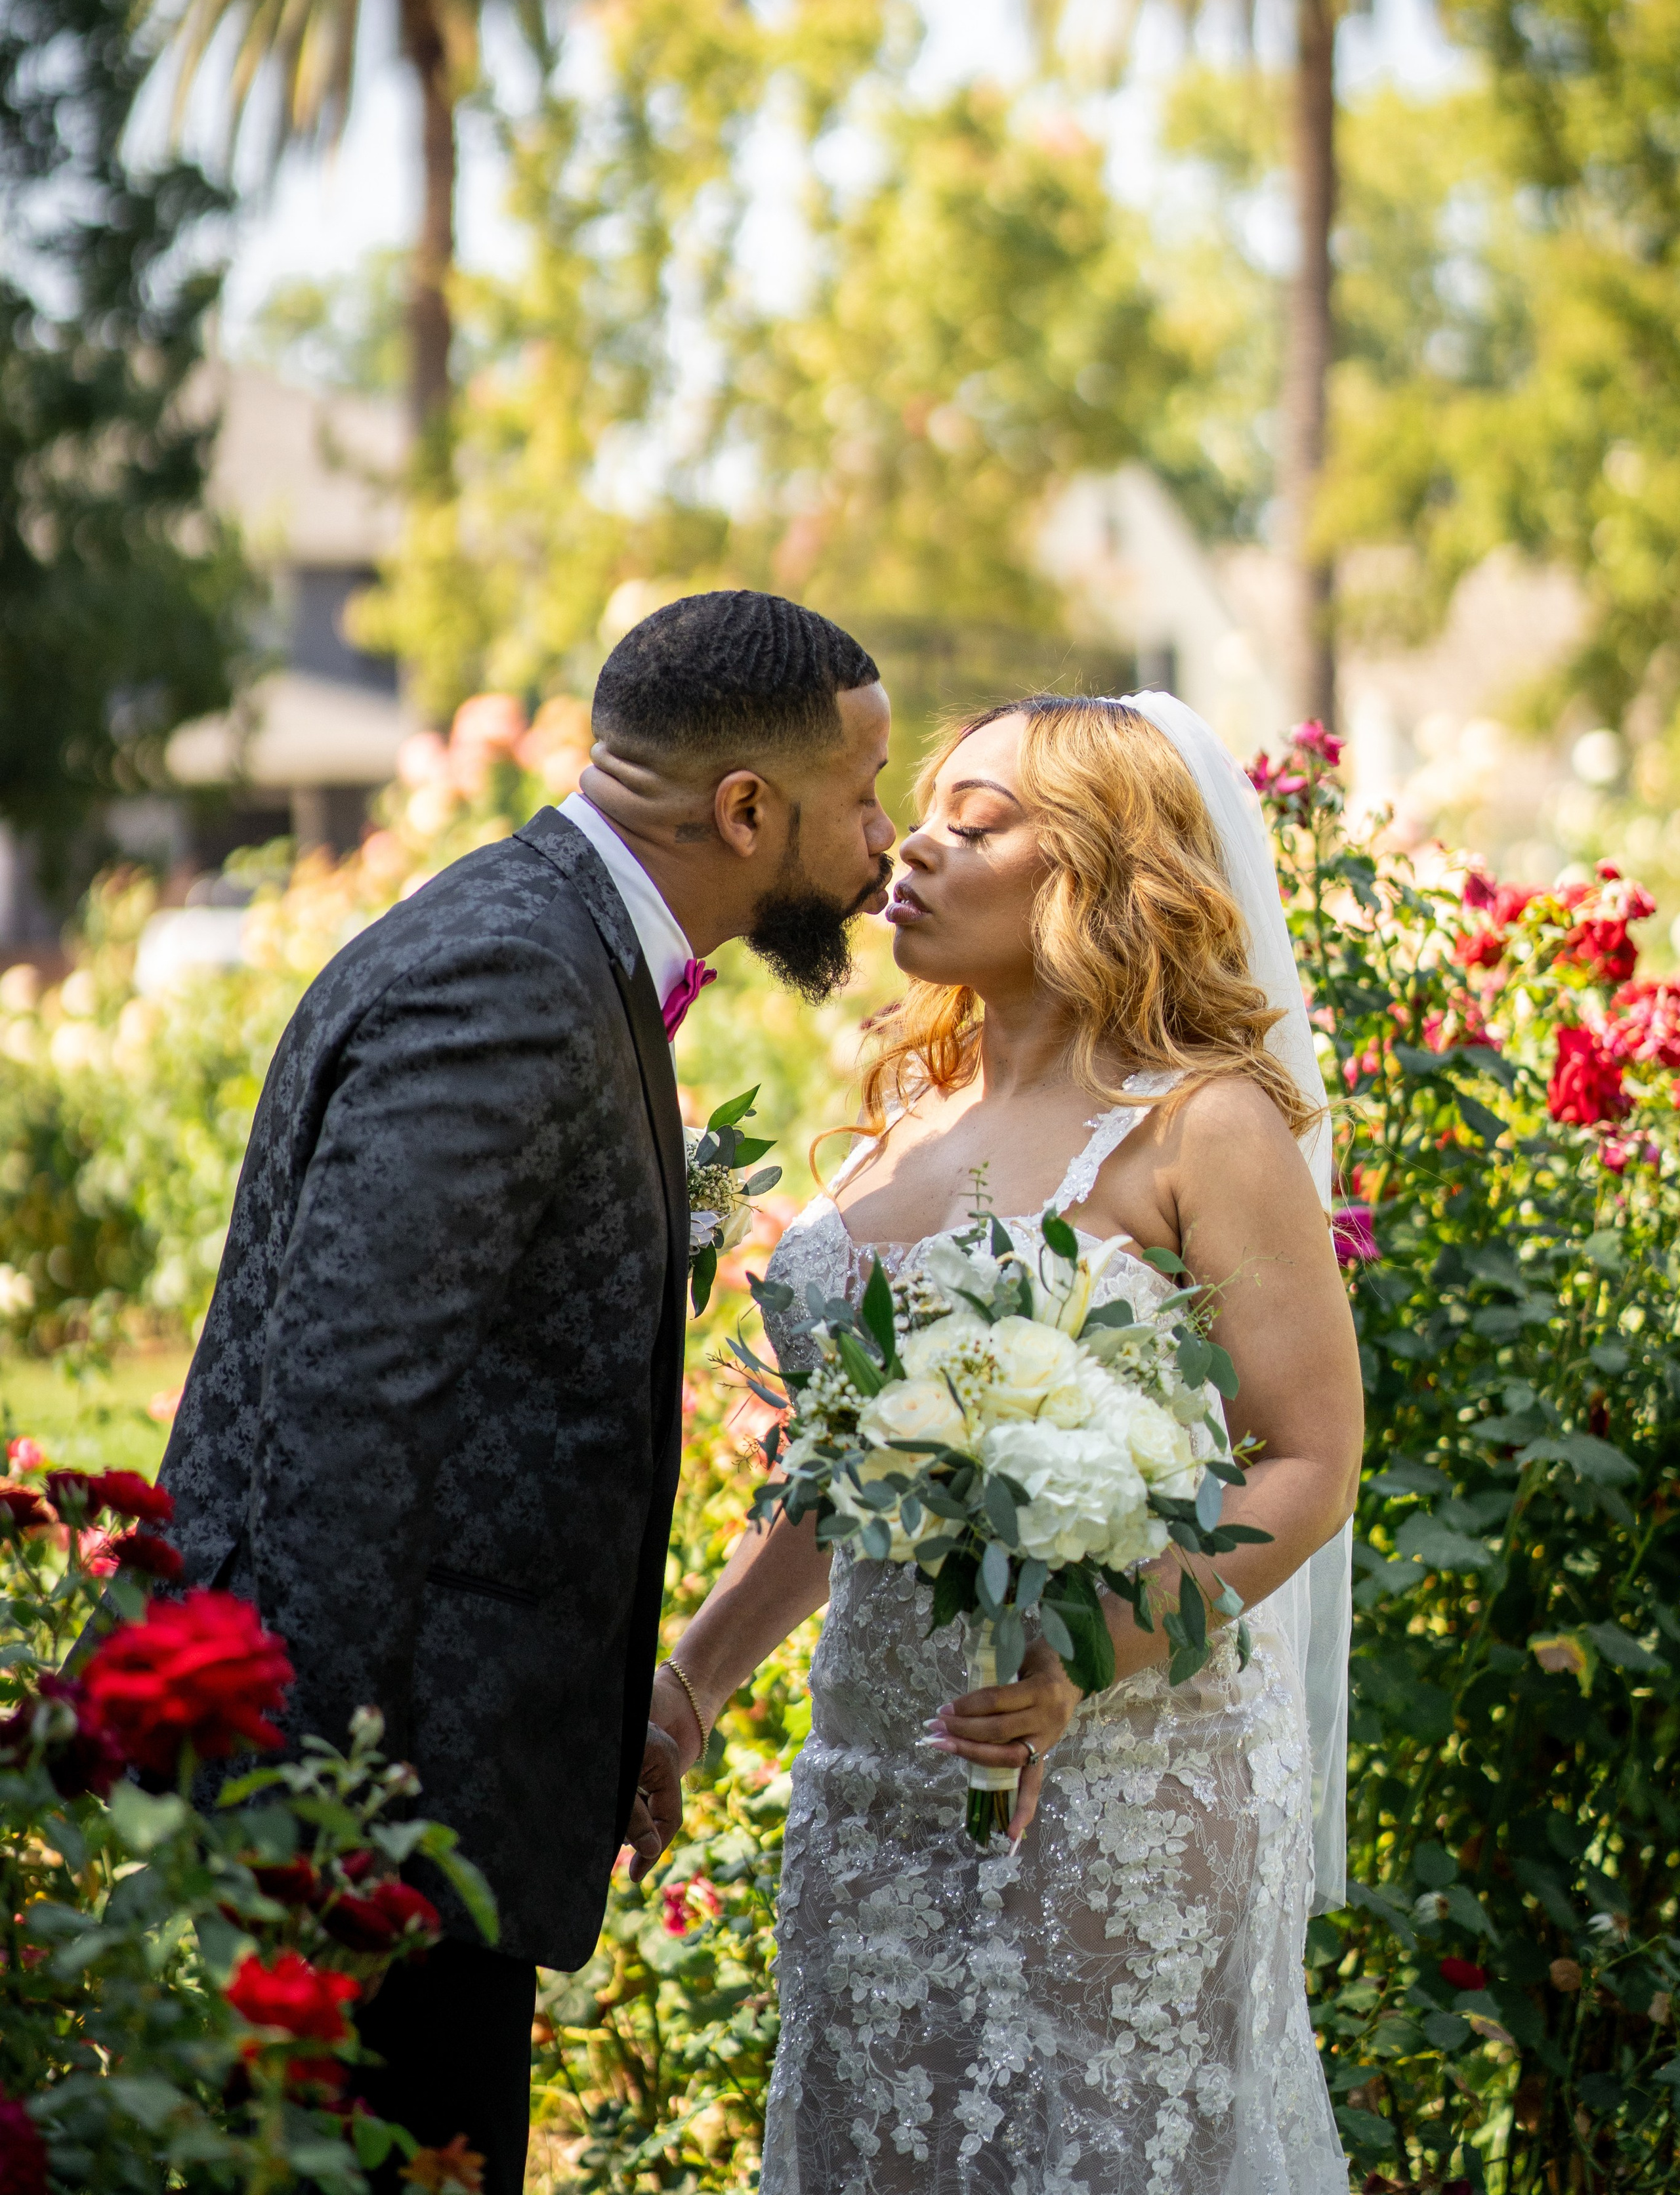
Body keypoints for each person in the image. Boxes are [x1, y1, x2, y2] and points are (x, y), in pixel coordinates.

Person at [158, 590, 895, 2195]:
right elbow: (351, 1403)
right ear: (745, 810)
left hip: (430, 1794)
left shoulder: (555, 945)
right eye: (865, 795)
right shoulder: (507, 977)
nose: (886, 841)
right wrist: (322, 1842)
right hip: (374, 1821)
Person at [651, 692, 1364, 2194]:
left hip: (1121, 1779)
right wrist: (692, 1682)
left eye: (975, 823)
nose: (912, 844)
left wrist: (1084, 1660)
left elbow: (1304, 1460)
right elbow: (844, 1478)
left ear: (1101, 868)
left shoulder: (1199, 1129)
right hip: (874, 1769)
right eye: (921, 812)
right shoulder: (902, 1120)